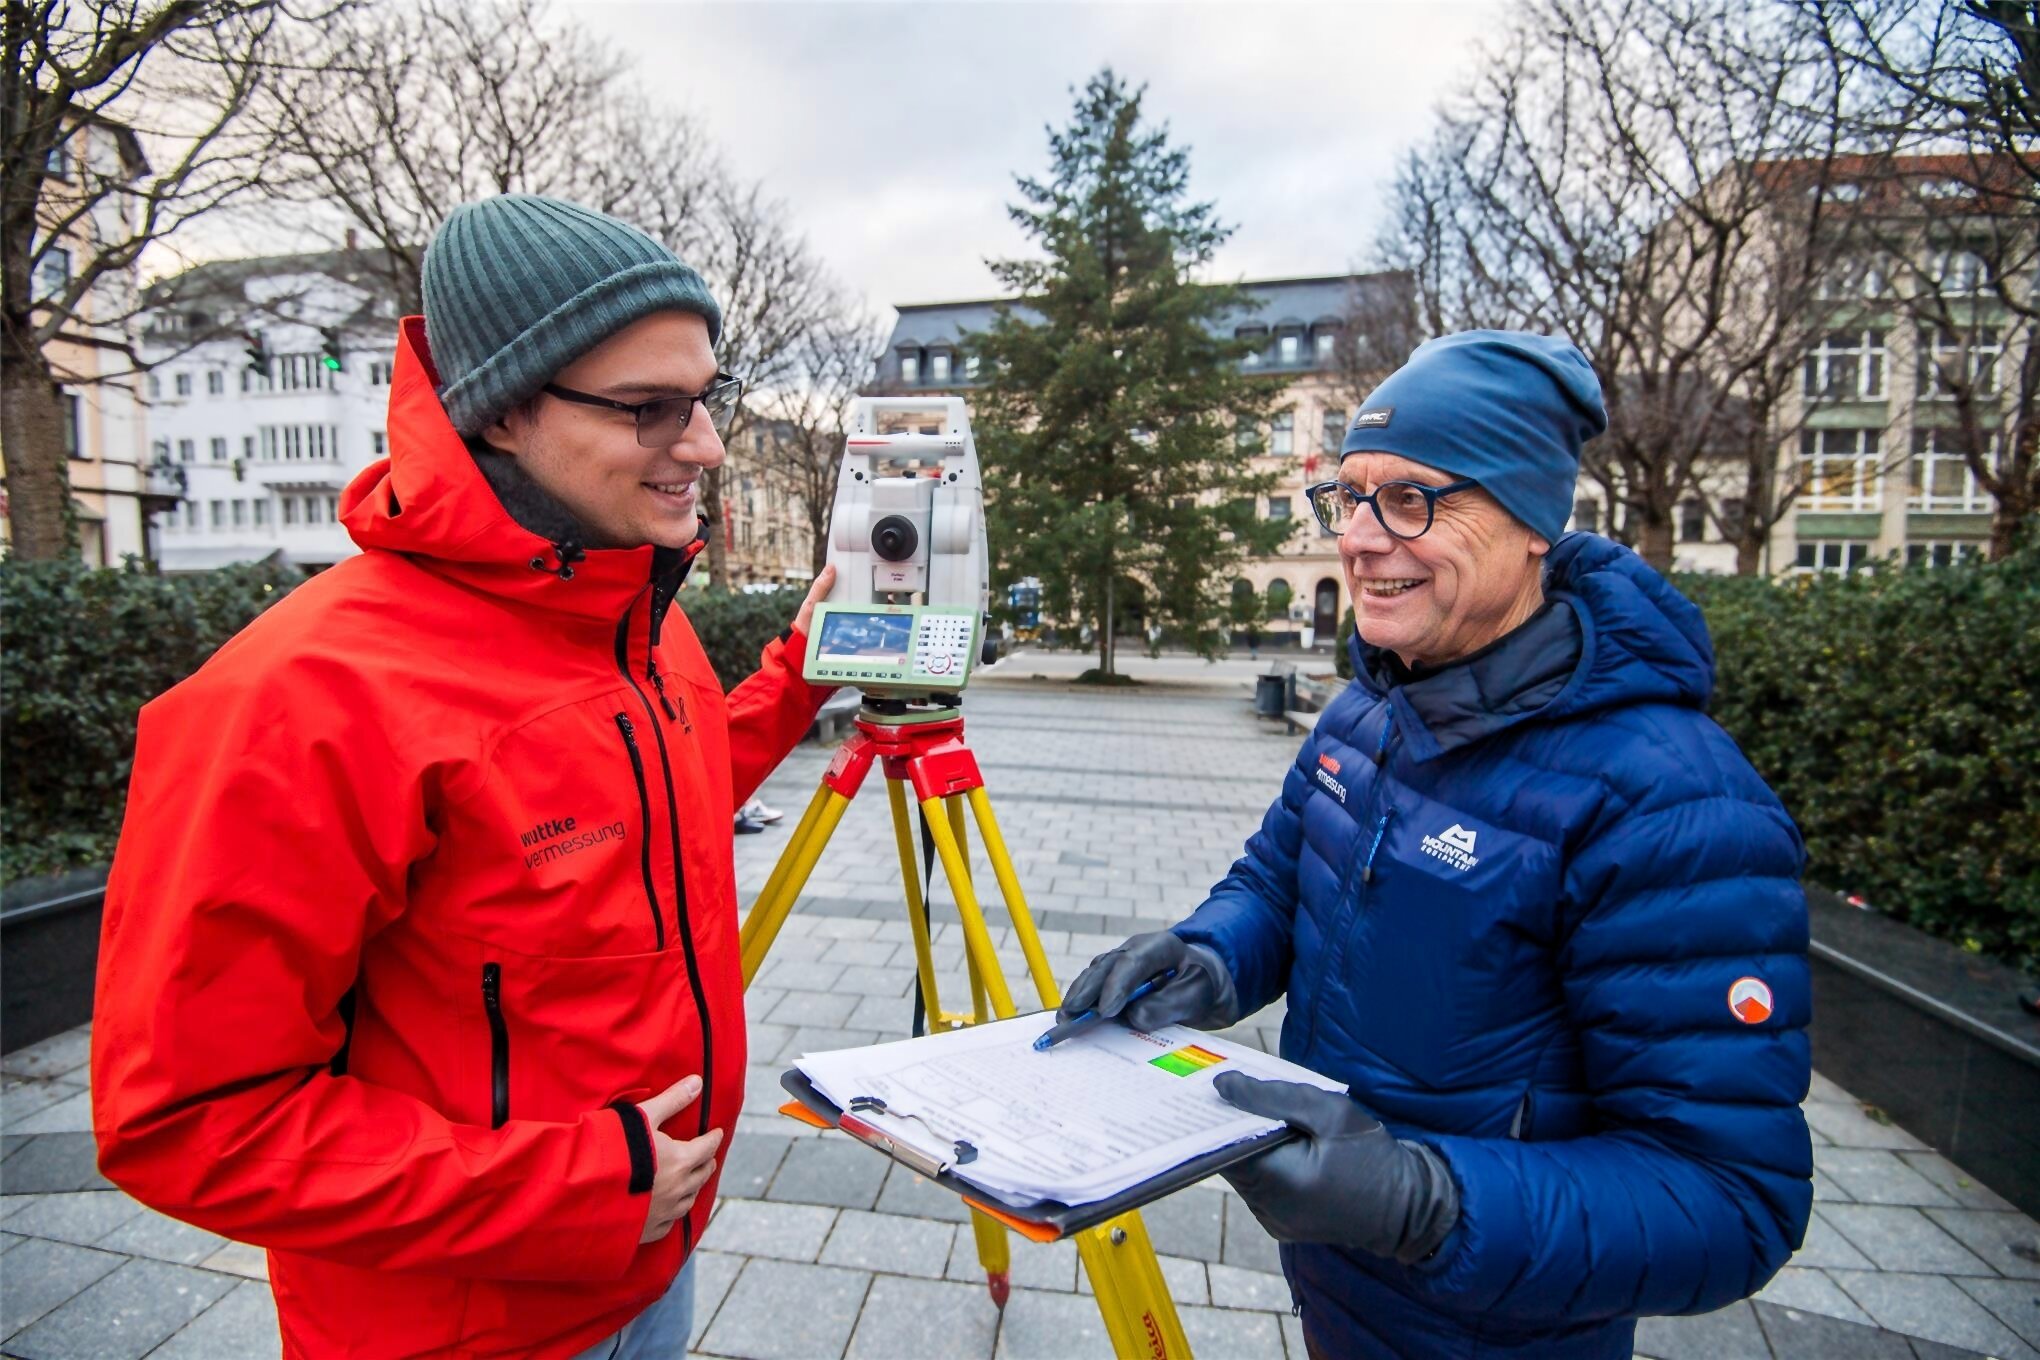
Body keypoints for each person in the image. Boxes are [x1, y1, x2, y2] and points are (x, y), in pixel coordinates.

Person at [91, 194, 837, 1359]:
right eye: (649, 408)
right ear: (502, 411)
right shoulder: (301, 696)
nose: (705, 445)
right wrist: (578, 1187)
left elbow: (659, 797)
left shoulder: (634, 612)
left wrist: (802, 672)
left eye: (706, 397)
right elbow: (184, 1118)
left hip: (644, 1275)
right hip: (455, 1326)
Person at [1060, 331, 1811, 1359]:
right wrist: (1207, 955)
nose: (1362, 538)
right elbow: (1282, 883)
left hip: (1500, 1328)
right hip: (1337, 1290)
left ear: (1533, 523)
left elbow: (1730, 1197)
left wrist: (1426, 1202)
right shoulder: (1364, 715)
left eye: (1410, 498)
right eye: (1349, 497)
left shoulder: (1674, 802)